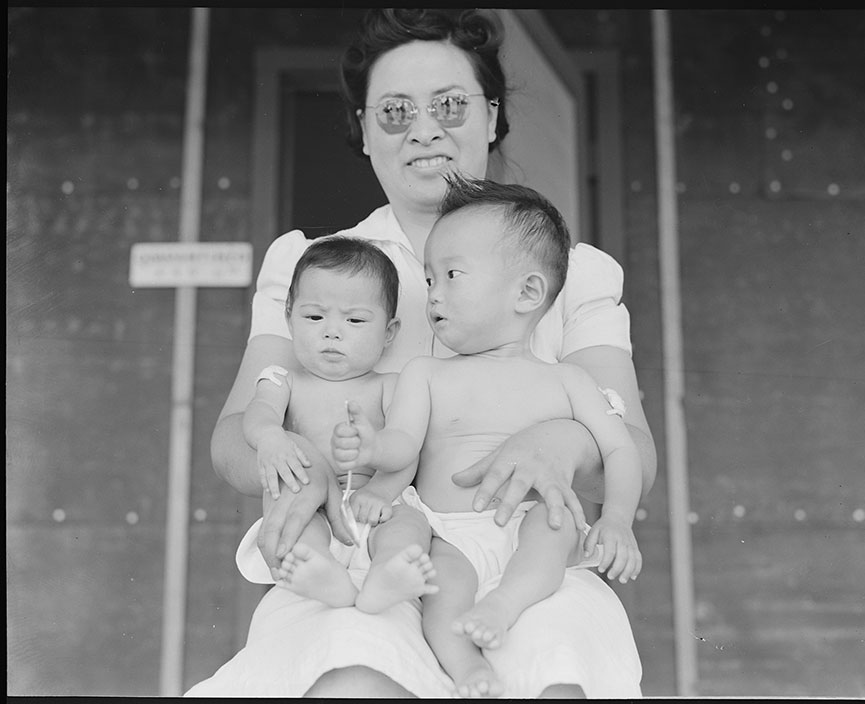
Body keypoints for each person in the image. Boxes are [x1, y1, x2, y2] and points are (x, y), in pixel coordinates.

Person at [189, 8, 655, 699]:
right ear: (365, 132)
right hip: (364, 555)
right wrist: (302, 461)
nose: (425, 130)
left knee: (557, 669)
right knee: (350, 675)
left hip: (517, 551)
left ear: (493, 116)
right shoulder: (314, 266)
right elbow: (232, 441)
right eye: (395, 112)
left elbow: (633, 447)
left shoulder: (572, 272)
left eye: (450, 105)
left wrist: (563, 438)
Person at [331, 175, 644, 698]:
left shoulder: (566, 379)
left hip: (527, 522)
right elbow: (404, 445)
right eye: (430, 280)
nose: (434, 294)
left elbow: (619, 447)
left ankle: (504, 606)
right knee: (443, 592)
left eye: (452, 275)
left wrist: (617, 519)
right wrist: (371, 446)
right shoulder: (426, 374)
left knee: (555, 522)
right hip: (448, 530)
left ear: (527, 292)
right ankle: (468, 669)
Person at [239, 235, 437, 613]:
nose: (332, 331)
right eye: (314, 316)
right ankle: (323, 575)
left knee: (408, 526)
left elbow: (405, 446)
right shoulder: (282, 379)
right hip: (308, 503)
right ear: (288, 318)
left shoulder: (391, 386)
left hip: (377, 502)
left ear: (389, 332)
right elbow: (260, 412)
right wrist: (270, 438)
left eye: (355, 320)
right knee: (299, 532)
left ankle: (388, 574)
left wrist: (381, 491)